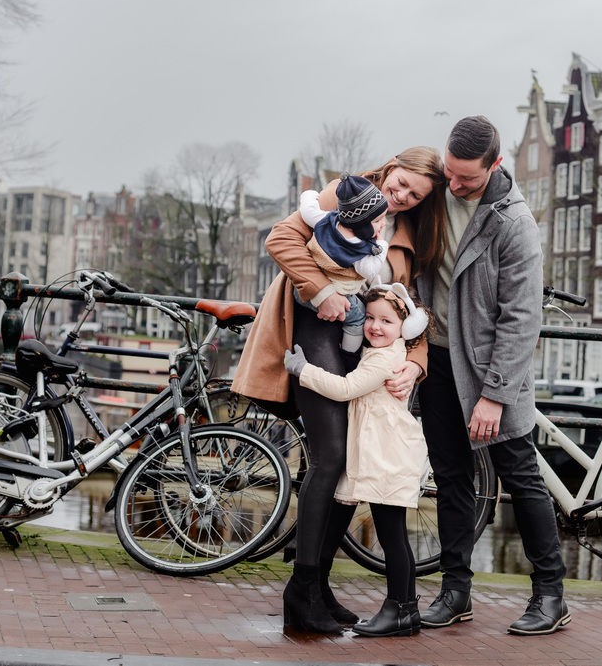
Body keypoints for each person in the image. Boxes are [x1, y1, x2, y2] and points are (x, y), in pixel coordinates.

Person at [231, 146, 448, 635]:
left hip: (364, 349)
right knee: (330, 457)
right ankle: (301, 590)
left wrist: (415, 364)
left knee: (345, 462)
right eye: (401, 182)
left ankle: (318, 588)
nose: (402, 195)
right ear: (391, 166)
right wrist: (322, 290)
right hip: (317, 330)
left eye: (414, 194)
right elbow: (281, 238)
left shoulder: (410, 235)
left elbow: (412, 307)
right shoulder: (345, 194)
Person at [414, 116, 570, 636]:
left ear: (495, 165)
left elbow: (522, 318)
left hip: (492, 373)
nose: (455, 186)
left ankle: (551, 596)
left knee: (522, 480)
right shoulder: (437, 191)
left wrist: (495, 395)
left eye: (468, 179)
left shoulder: (514, 222)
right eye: (450, 173)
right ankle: (455, 592)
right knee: (451, 478)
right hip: (438, 362)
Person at [283, 284, 431, 637]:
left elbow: (346, 388)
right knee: (392, 534)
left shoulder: (383, 358)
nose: (375, 326)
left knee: (393, 535)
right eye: (370, 318)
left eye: (387, 321)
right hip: (379, 453)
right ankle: (404, 610)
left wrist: (303, 370)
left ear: (406, 327)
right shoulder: (382, 351)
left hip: (386, 457)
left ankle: (400, 608)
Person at [295, 174, 389, 355]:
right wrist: (382, 245)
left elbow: (307, 211)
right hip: (333, 294)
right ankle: (348, 354)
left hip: (302, 289)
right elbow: (370, 271)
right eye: (377, 221)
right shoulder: (357, 249)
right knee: (358, 318)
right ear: (360, 224)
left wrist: (310, 194)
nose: (383, 224)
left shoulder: (327, 220)